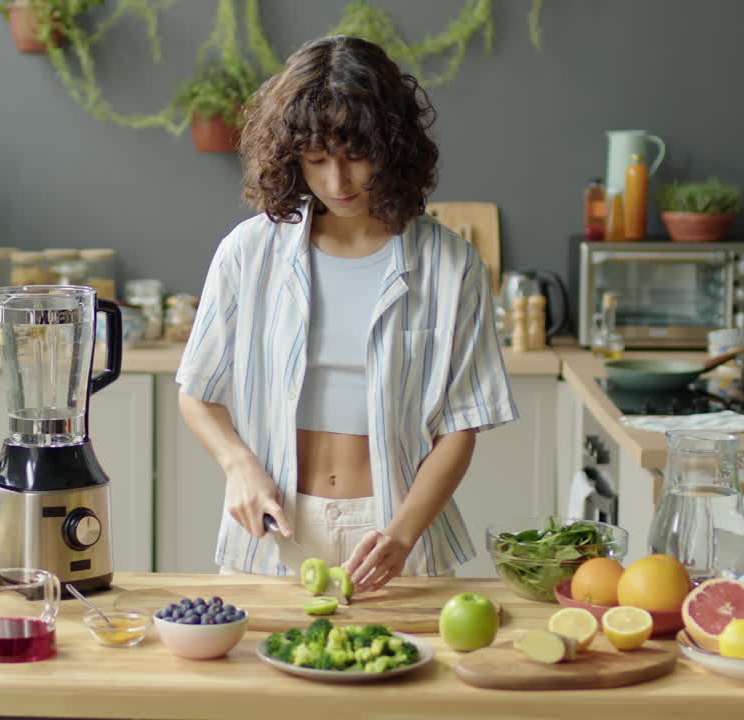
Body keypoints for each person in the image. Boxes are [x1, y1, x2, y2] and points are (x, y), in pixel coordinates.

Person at [174, 35, 518, 592]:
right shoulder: (248, 252)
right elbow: (197, 392)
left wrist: (401, 535)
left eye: (356, 156)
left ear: (393, 145)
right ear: (292, 157)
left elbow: (460, 427)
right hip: (272, 528)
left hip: (399, 535)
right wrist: (239, 465)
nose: (338, 183)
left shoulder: (451, 265)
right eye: (316, 161)